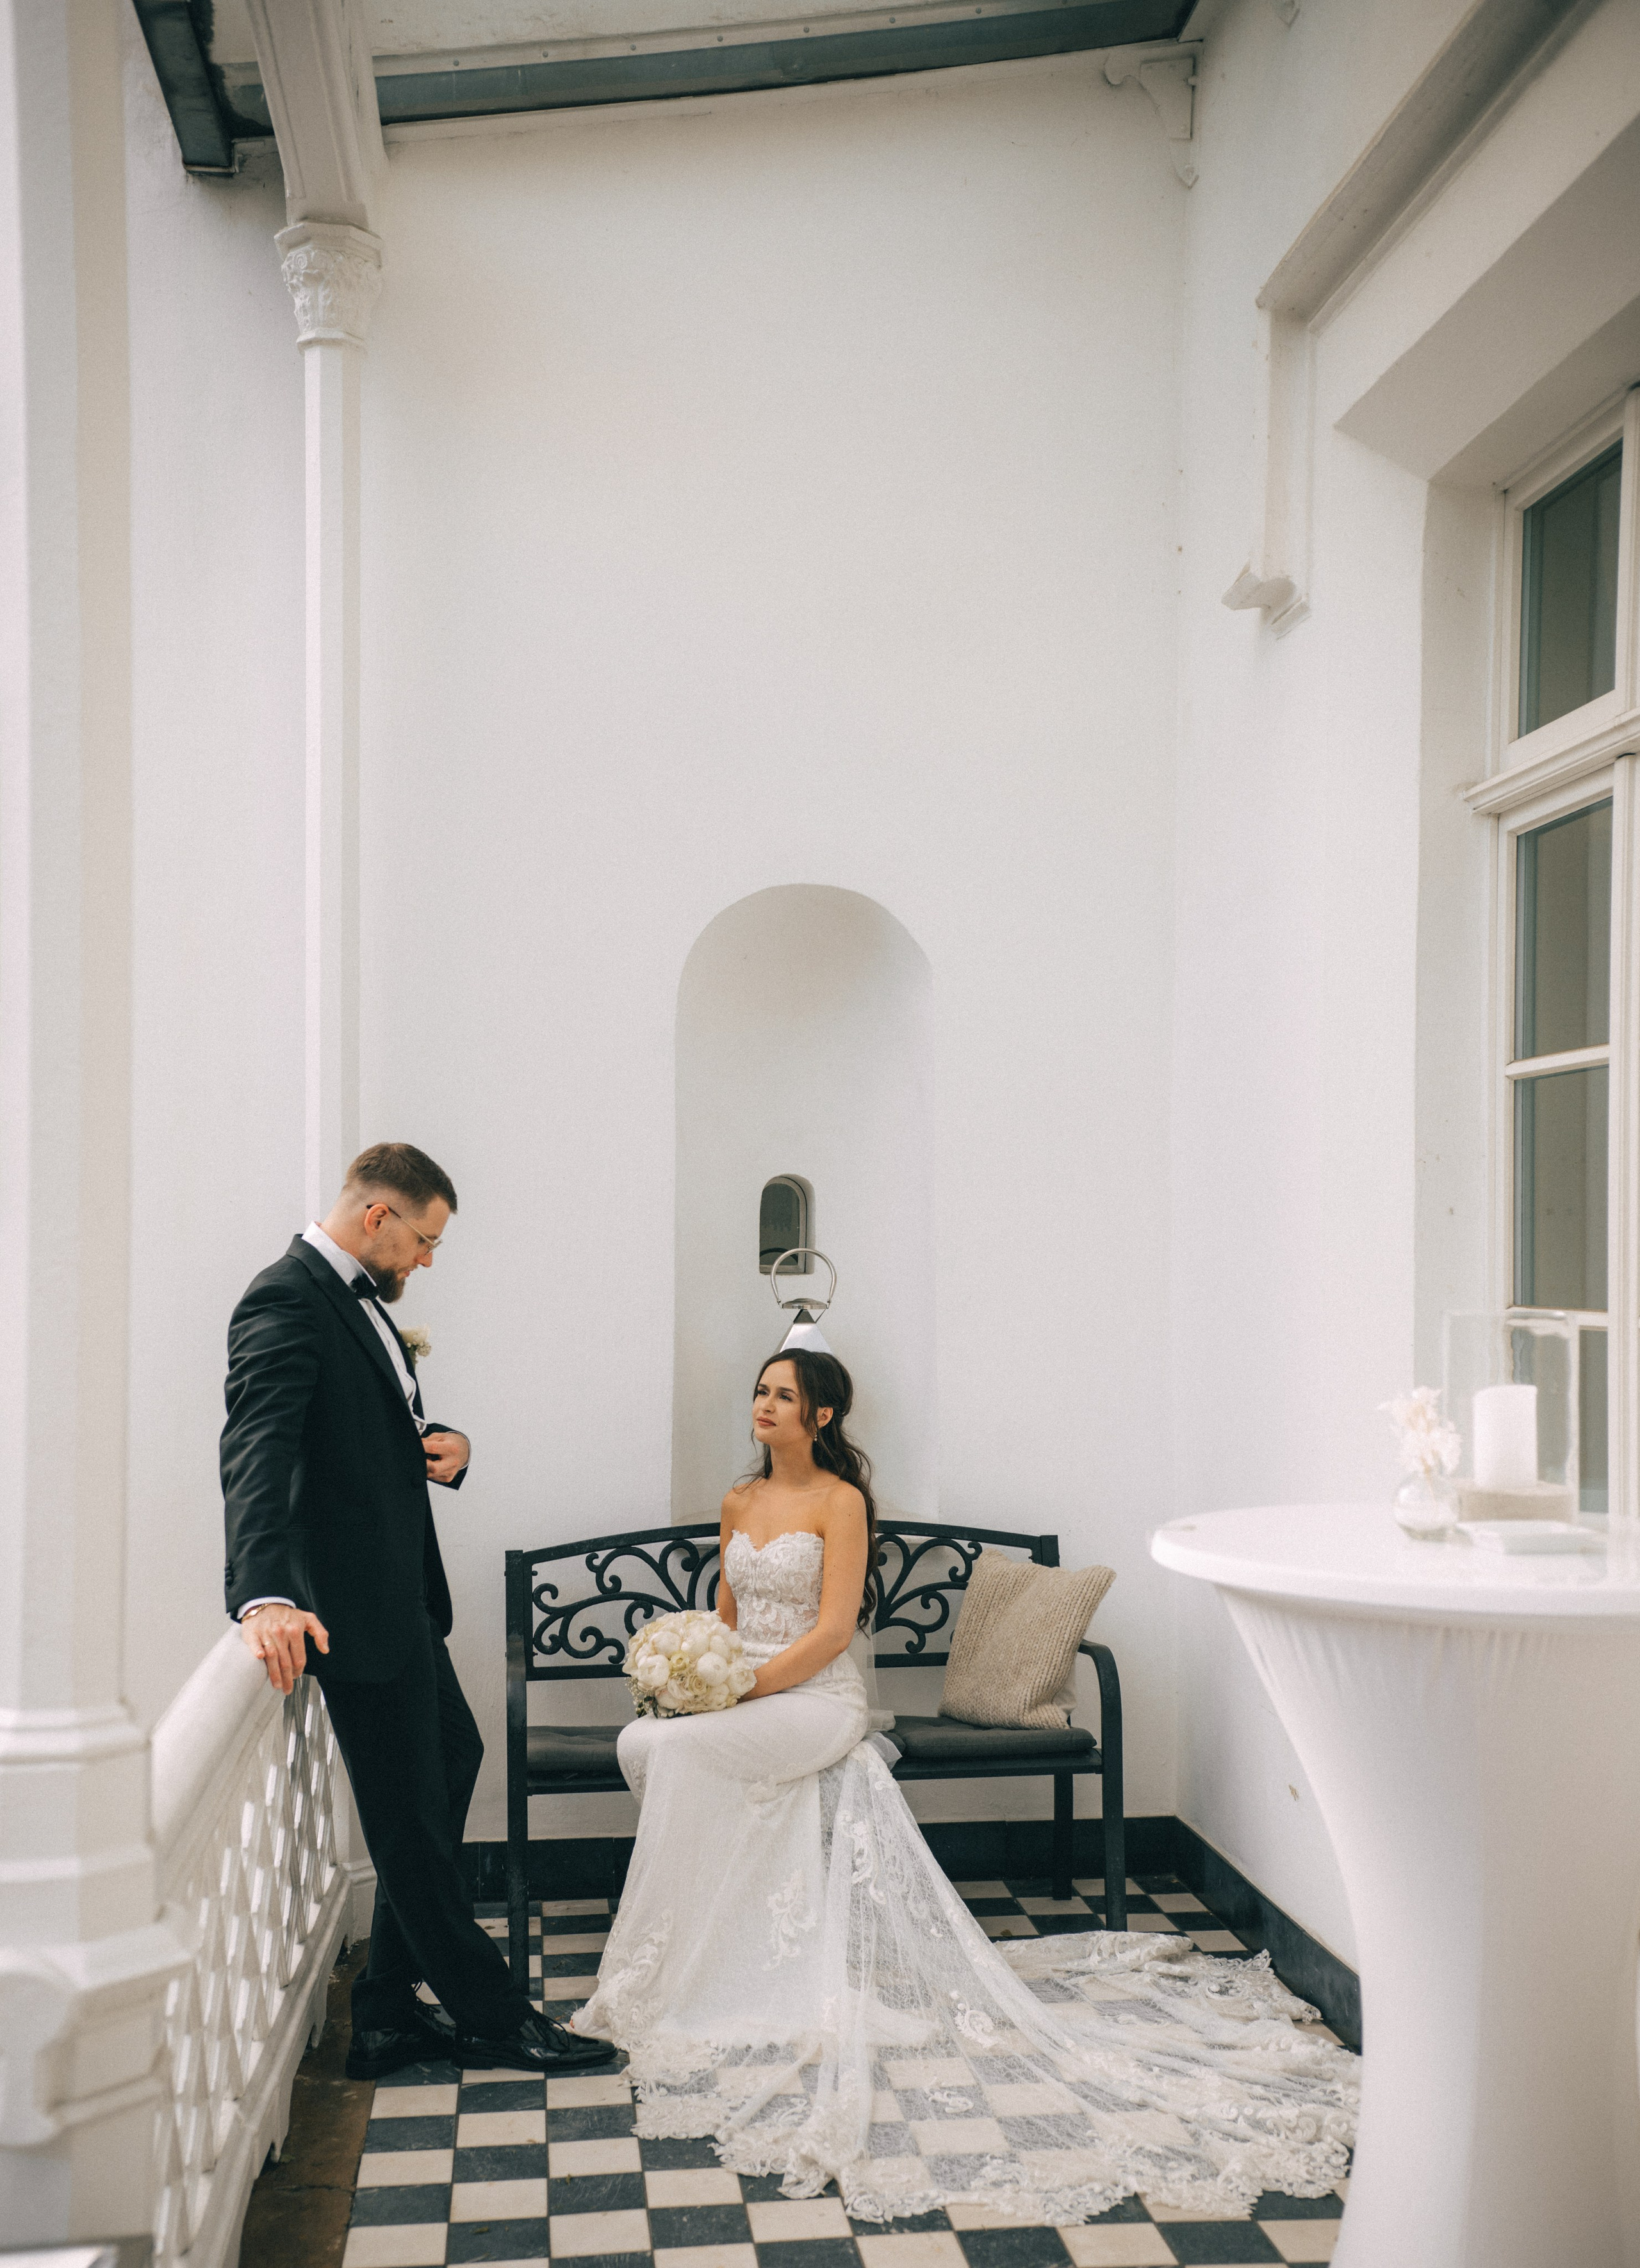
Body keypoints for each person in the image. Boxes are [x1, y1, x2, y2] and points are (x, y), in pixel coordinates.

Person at [571, 1346, 1358, 2223]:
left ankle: (694, 1965)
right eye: (759, 1390)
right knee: (645, 1737)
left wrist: (740, 1688)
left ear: (822, 1414)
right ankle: (713, 1943)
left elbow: (833, 1631)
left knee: (680, 1753)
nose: (763, 1404)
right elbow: (728, 1611)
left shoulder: (840, 1502)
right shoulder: (739, 1500)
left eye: (782, 1394)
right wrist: (689, 1670)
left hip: (814, 1697)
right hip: (747, 1687)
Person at [222, 1141, 614, 2080]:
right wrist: (264, 1591)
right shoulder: (285, 1298)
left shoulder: (354, 1302)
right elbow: (259, 1450)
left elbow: (362, 1431)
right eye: (425, 1241)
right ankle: (492, 2014)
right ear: (377, 1219)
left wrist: (444, 1444)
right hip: (347, 1613)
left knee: (455, 1755)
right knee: (407, 1819)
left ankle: (390, 2014)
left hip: (400, 1604)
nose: (427, 1260)